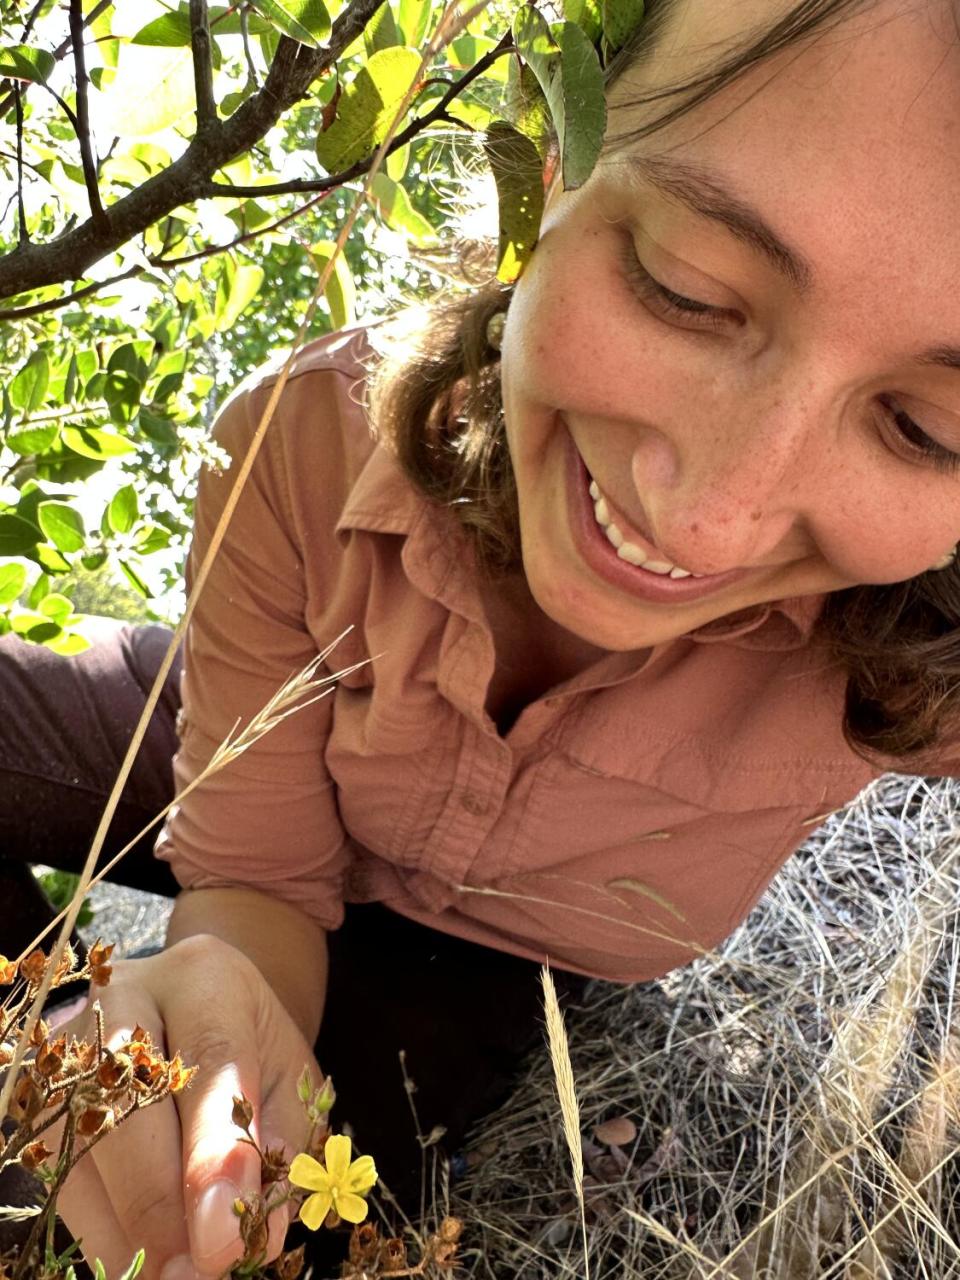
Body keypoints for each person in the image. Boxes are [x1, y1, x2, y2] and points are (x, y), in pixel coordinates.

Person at [6, 0, 960, 1275]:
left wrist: (216, 1116)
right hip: (229, 738)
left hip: (485, 964)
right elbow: (256, 874)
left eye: (925, 428)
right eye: (684, 290)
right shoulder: (302, 432)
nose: (708, 512)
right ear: (553, 165)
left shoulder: (923, 655)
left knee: (304, 1209)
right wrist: (135, 1014)